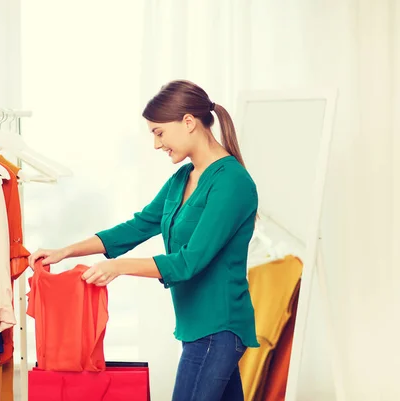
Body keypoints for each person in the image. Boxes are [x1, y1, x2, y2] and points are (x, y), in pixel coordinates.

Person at [28, 79, 259, 401]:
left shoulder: (231, 182)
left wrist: (118, 267)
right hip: (197, 327)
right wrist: (67, 250)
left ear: (188, 122)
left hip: (218, 327)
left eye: (159, 132)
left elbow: (189, 261)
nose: (155, 144)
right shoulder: (184, 177)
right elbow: (139, 226)